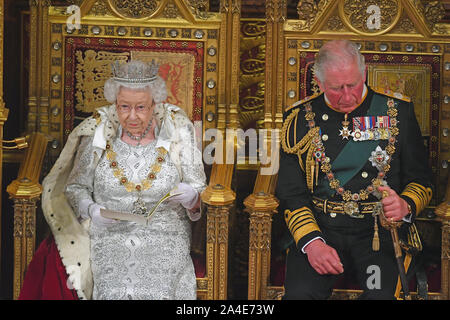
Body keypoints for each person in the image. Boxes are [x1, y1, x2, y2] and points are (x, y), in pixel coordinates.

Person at [19, 60, 206, 300]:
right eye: (124, 106)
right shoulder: (98, 131)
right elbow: (76, 187)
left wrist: (192, 198)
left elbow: (199, 186)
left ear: (155, 104)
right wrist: (91, 209)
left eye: (141, 107)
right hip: (110, 234)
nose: (132, 116)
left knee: (156, 290)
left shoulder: (179, 130)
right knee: (115, 290)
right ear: (114, 104)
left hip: (165, 233)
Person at [276, 40, 433, 299]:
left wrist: (405, 205)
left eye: (353, 85)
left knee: (379, 295)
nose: (347, 96)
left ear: (364, 73)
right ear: (319, 81)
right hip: (321, 229)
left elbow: (422, 180)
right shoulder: (299, 119)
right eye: (337, 88)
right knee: (300, 295)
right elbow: (291, 193)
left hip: (377, 235)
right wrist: (312, 243)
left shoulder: (397, 112)